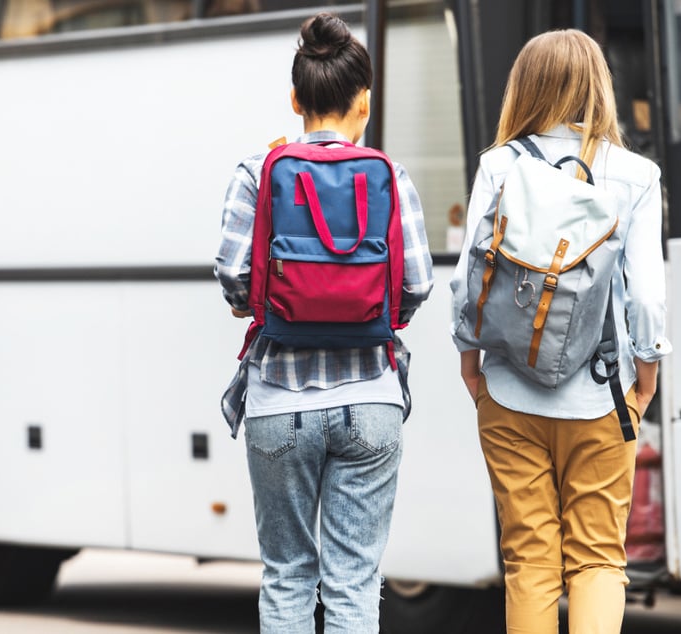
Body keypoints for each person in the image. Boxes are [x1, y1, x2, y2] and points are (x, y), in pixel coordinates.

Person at [215, 13, 433, 633]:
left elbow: (234, 281)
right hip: (370, 398)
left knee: (286, 575)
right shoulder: (390, 176)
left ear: (295, 100)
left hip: (279, 400)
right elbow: (414, 285)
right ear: (365, 100)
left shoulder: (258, 173)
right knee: (354, 581)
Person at [450, 30, 672, 634]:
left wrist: (471, 364)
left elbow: (469, 280)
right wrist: (645, 375)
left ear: (525, 88)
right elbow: (648, 297)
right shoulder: (635, 175)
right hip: (602, 395)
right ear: (599, 86)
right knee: (598, 557)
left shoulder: (498, 167)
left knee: (529, 560)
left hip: (506, 393)